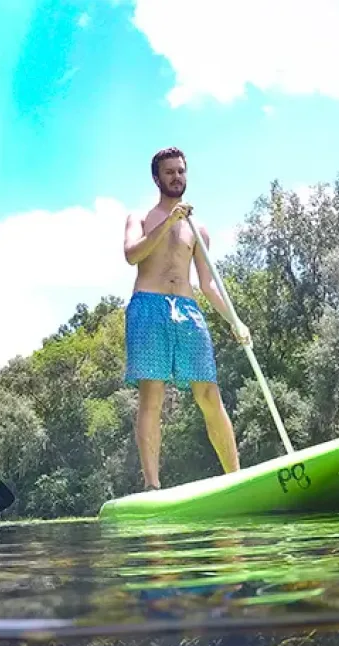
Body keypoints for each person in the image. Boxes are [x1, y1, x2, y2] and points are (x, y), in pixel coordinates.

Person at [121, 146, 251, 490]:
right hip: (148, 307)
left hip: (188, 311)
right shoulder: (140, 218)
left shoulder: (199, 229)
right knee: (153, 394)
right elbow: (132, 255)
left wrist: (234, 320)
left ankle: (235, 478)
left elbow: (208, 285)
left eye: (181, 171)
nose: (176, 177)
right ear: (157, 178)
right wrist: (169, 222)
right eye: (169, 172)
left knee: (209, 393)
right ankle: (152, 485)